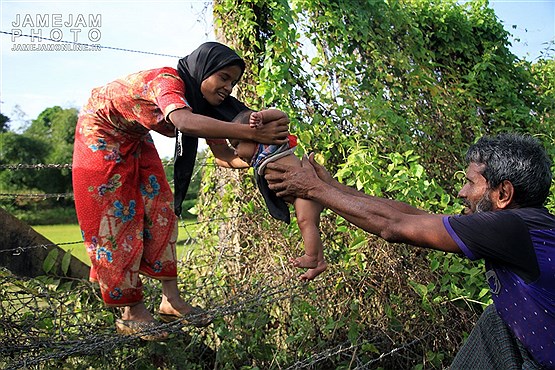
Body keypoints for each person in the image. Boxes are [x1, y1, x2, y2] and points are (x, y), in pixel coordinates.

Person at [264, 133, 554, 369]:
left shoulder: (509, 228)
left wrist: (313, 189)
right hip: (531, 348)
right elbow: (412, 216)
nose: (461, 193)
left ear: (503, 194)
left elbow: (394, 225)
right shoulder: (526, 224)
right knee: (496, 321)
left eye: (470, 182)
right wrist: (330, 187)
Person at [72, 42, 290, 340]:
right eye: (224, 77)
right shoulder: (168, 81)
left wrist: (260, 157)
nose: (229, 87)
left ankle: (170, 300)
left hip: (134, 137)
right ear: (204, 69)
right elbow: (183, 122)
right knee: (113, 220)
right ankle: (130, 313)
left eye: (233, 82)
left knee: (161, 209)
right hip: (99, 133)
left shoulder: (201, 106)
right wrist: (251, 133)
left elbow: (224, 157)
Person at [224, 110, 326, 281]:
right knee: (310, 226)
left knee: (305, 222)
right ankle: (320, 262)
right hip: (299, 196)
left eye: (236, 145)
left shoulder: (271, 143)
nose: (235, 152)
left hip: (306, 190)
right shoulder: (256, 157)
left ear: (252, 136)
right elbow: (225, 159)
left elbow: (282, 117)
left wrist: (262, 117)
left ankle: (312, 257)